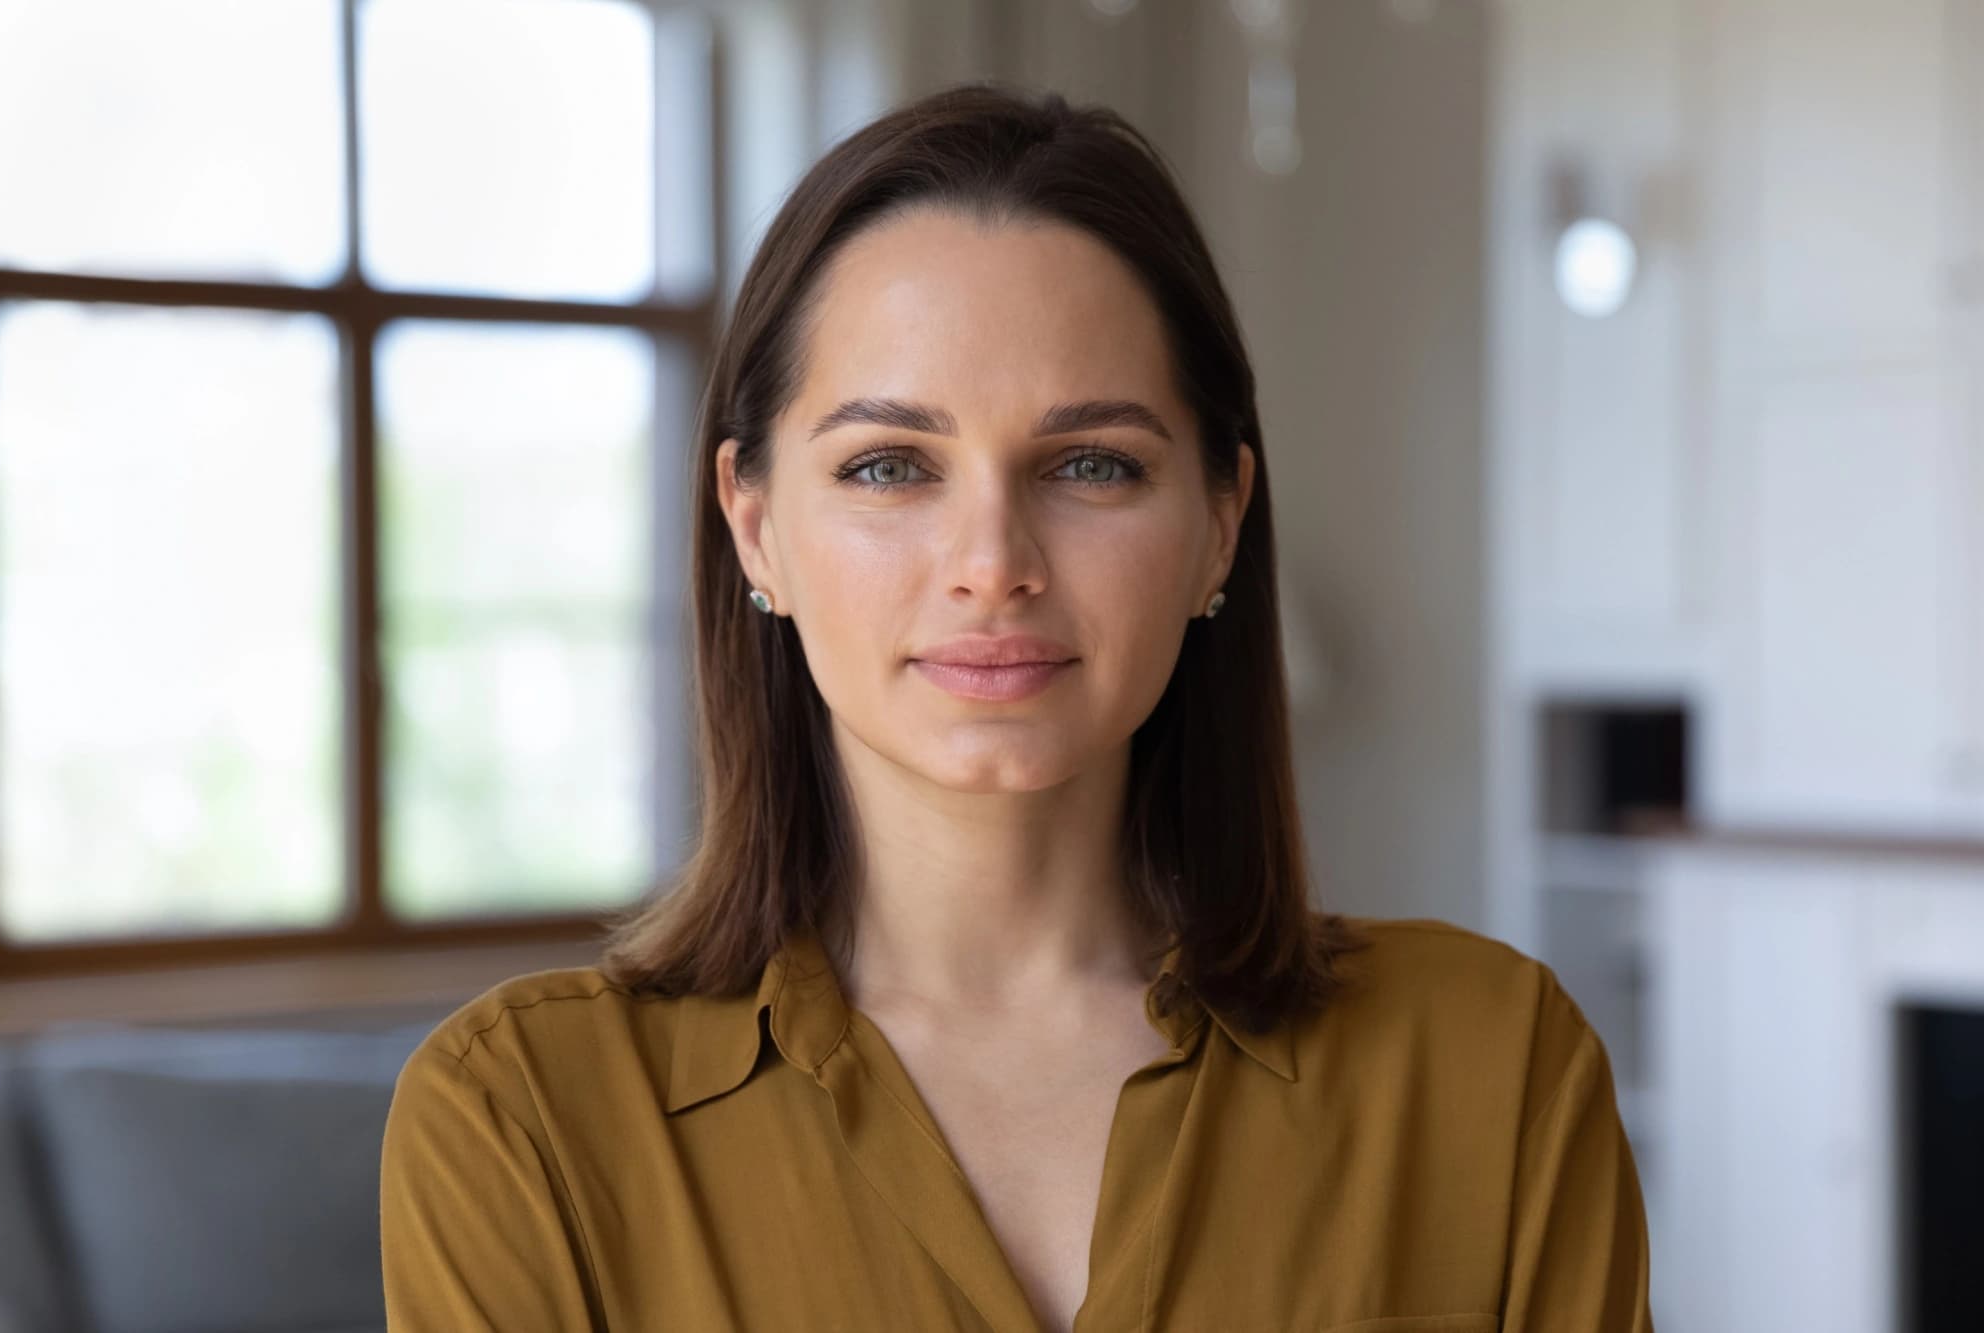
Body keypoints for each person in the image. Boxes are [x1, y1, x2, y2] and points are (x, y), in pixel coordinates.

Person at [379, 81, 1655, 1333]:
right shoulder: (522, 1122)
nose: (991, 561)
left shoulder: (1492, 1068)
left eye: (1089, 464)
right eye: (888, 466)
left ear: (1218, 523)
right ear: (754, 525)